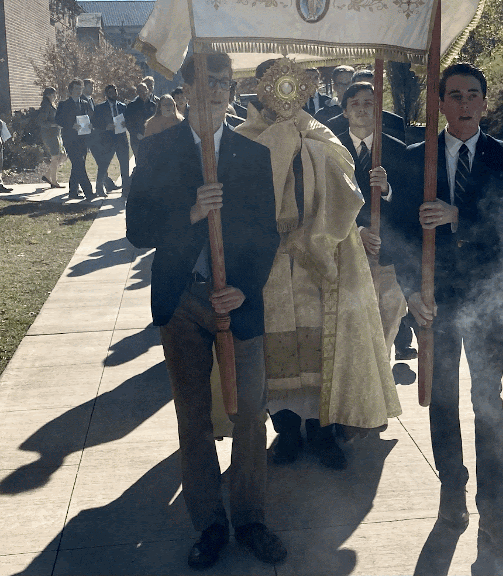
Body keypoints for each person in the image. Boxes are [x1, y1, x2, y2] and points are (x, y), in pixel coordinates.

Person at [126, 51, 286, 570]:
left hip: (236, 300)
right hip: (182, 301)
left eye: (223, 82)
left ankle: (251, 519)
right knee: (193, 419)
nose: (214, 90)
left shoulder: (251, 154)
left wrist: (242, 288)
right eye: (204, 81)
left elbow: (266, 234)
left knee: (250, 415)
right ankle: (210, 524)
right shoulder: (157, 151)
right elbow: (137, 230)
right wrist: (192, 213)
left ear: (231, 92)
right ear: (186, 89)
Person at [237, 58, 401, 472]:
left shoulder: (320, 134)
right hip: (269, 261)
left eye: (289, 86)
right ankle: (287, 432)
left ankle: (323, 432)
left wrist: (304, 152)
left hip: (319, 257)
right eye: (273, 86)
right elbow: (239, 198)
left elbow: (344, 184)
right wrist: (279, 146)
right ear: (261, 90)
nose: (282, 97)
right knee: (276, 352)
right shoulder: (244, 138)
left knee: (321, 350)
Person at [393, 63, 503, 556]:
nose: (465, 103)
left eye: (473, 95)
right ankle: (452, 494)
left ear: (485, 103)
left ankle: (496, 514)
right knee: (442, 400)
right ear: (441, 104)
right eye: (455, 95)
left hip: (489, 300)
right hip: (436, 301)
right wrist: (411, 292)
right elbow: (399, 235)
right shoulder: (416, 159)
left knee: (488, 403)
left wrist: (457, 217)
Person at [333, 81, 408, 358]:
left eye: (368, 103)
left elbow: (410, 204)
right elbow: (326, 201)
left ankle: (383, 381)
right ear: (344, 111)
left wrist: (387, 190)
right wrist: (358, 230)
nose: (362, 109)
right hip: (348, 255)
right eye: (355, 104)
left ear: (378, 110)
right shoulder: (331, 149)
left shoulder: (397, 149)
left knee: (387, 322)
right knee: (354, 332)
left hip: (388, 257)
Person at [55, 78, 95, 200]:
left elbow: (91, 118)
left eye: (80, 89)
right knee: (79, 165)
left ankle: (73, 191)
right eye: (76, 89)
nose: (79, 91)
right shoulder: (63, 104)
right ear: (71, 90)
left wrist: (91, 125)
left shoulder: (85, 103)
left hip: (83, 140)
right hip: (70, 140)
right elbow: (58, 120)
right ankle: (89, 192)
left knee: (77, 166)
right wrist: (71, 125)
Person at [93, 84, 131, 196]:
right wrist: (105, 126)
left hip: (121, 138)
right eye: (110, 93)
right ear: (106, 94)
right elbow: (94, 123)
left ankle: (126, 190)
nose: (113, 95)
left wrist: (126, 123)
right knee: (103, 165)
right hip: (107, 139)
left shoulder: (123, 106)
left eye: (114, 92)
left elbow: (129, 120)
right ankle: (99, 188)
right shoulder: (100, 107)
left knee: (124, 165)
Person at [38, 87, 64, 189]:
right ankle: (54, 181)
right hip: (49, 135)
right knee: (55, 157)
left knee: (63, 156)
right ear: (48, 95)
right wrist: (54, 124)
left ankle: (48, 175)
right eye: (53, 94)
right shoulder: (45, 106)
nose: (55, 96)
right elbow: (41, 122)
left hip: (55, 134)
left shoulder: (51, 105)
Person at [125, 81, 156, 154]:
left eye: (145, 90)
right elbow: (128, 123)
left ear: (148, 91)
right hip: (137, 140)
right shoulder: (131, 106)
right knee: (139, 159)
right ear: (137, 92)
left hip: (150, 138)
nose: (144, 93)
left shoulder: (153, 105)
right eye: (141, 91)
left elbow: (156, 121)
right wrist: (136, 134)